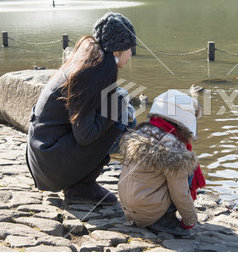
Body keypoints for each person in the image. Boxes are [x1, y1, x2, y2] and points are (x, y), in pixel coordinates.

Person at [26, 12, 137, 204]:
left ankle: (80, 182)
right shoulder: (93, 72)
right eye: (130, 48)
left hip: (44, 156)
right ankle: (81, 187)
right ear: (118, 50)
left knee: (124, 118)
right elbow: (85, 135)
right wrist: (118, 104)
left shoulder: (88, 60)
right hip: (51, 165)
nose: (131, 53)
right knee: (123, 122)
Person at [118, 89, 205, 236]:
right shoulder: (175, 148)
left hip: (128, 208)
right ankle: (164, 218)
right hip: (148, 212)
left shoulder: (142, 132)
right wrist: (190, 220)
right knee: (187, 168)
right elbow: (180, 192)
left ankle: (149, 212)